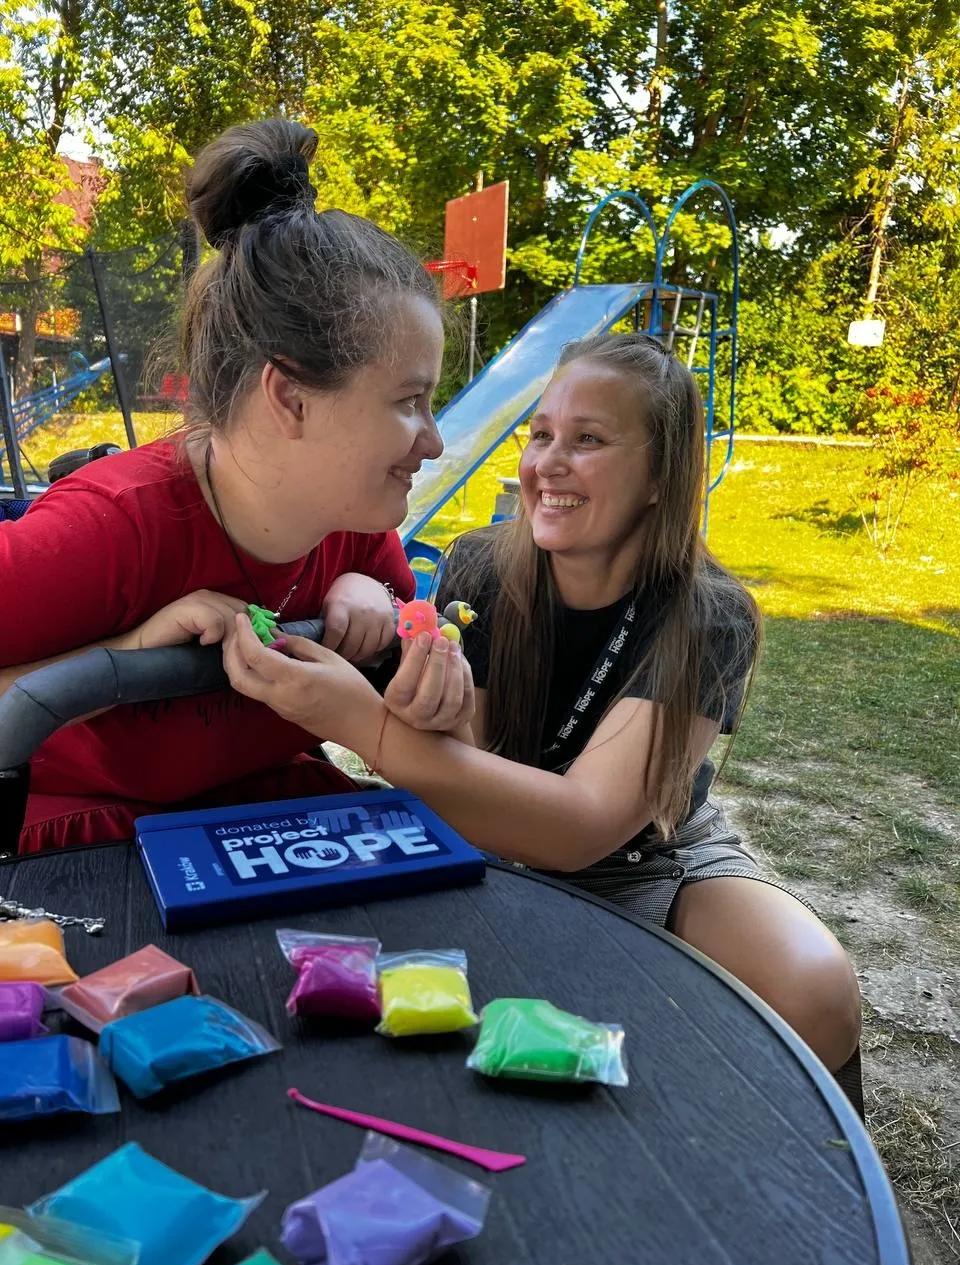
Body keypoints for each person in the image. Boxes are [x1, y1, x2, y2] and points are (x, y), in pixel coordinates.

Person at [223, 331, 862, 1075]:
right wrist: (432, 715)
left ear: (661, 473)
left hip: (651, 857)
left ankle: (798, 1176)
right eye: (541, 434)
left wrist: (357, 722)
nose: (547, 463)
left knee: (817, 992)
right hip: (492, 840)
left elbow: (583, 829)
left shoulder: (706, 615)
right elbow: (463, 773)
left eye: (587, 439)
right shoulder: (481, 567)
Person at [0, 118, 453, 854]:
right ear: (291, 399)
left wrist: (390, 614)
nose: (433, 440)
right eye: (409, 402)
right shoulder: (111, 530)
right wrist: (127, 652)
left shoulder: (354, 520)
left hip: (263, 822)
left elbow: (421, 697)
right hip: (86, 846)